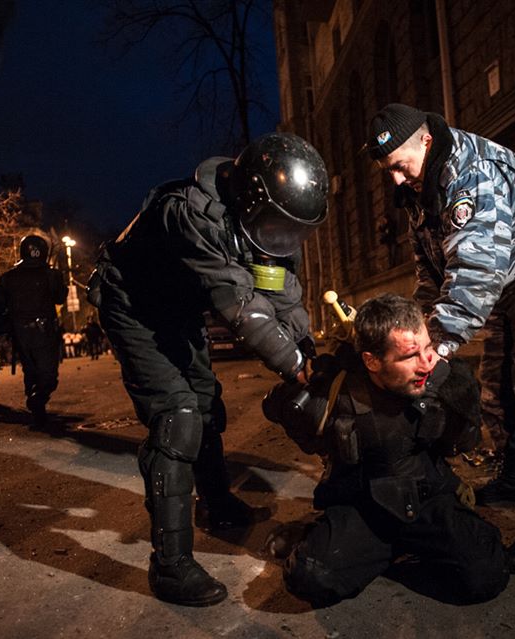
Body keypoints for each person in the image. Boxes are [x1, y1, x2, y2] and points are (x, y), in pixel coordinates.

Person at [88, 132, 328, 607]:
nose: (282, 239)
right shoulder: (190, 214)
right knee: (176, 417)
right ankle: (170, 566)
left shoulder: (262, 224)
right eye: (278, 226)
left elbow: (279, 293)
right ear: (251, 199)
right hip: (133, 305)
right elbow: (242, 307)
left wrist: (307, 346)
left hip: (178, 308)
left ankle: (216, 503)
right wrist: (297, 366)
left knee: (204, 402)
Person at [365, 103, 515, 573]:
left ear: (426, 141)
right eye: (388, 171)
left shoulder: (473, 176)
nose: (396, 179)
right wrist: (415, 330)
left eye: (399, 166)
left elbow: (475, 271)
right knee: (497, 384)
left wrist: (435, 349)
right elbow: (432, 275)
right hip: (506, 281)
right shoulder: (420, 190)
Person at [263, 293, 509, 607]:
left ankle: (386, 558)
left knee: (486, 574)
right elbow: (275, 407)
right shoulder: (338, 392)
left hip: (428, 499)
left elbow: (462, 443)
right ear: (372, 361)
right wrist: (304, 381)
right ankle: (321, 536)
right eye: (409, 356)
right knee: (310, 577)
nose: (426, 363)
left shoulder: (443, 380)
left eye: (427, 348)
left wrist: (462, 399)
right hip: (363, 508)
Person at [0, 234, 67, 425]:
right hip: (44, 332)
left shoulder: (9, 277)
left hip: (20, 333)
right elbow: (60, 298)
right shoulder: (50, 275)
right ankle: (38, 400)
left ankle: (36, 403)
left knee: (31, 371)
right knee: (48, 374)